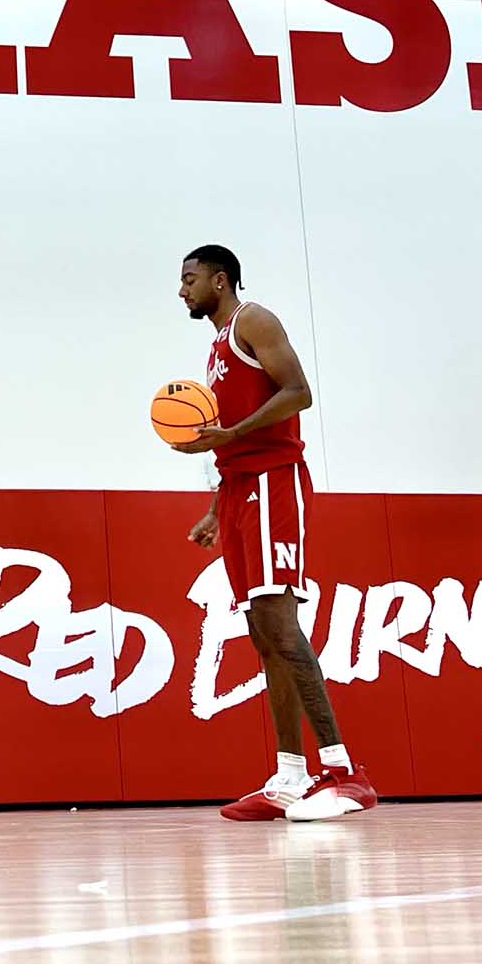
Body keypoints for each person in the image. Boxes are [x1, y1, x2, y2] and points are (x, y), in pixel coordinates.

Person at [176, 247, 377, 823]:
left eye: (189, 280)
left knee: (283, 631)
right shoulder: (215, 347)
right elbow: (232, 441)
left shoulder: (254, 322)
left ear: (220, 279)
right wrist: (218, 506)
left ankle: (345, 773)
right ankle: (290, 776)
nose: (182, 290)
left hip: (273, 483)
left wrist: (232, 432)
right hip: (240, 490)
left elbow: (299, 392)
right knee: (263, 637)